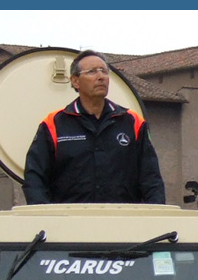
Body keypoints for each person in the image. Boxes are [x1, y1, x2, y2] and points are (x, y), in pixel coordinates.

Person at [23, 50, 165, 205]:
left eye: (104, 71)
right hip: (69, 222)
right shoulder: (53, 124)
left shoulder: (132, 122)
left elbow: (151, 179)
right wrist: (44, 218)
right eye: (92, 72)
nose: (101, 77)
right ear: (75, 81)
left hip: (122, 220)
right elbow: (35, 178)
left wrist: (155, 217)